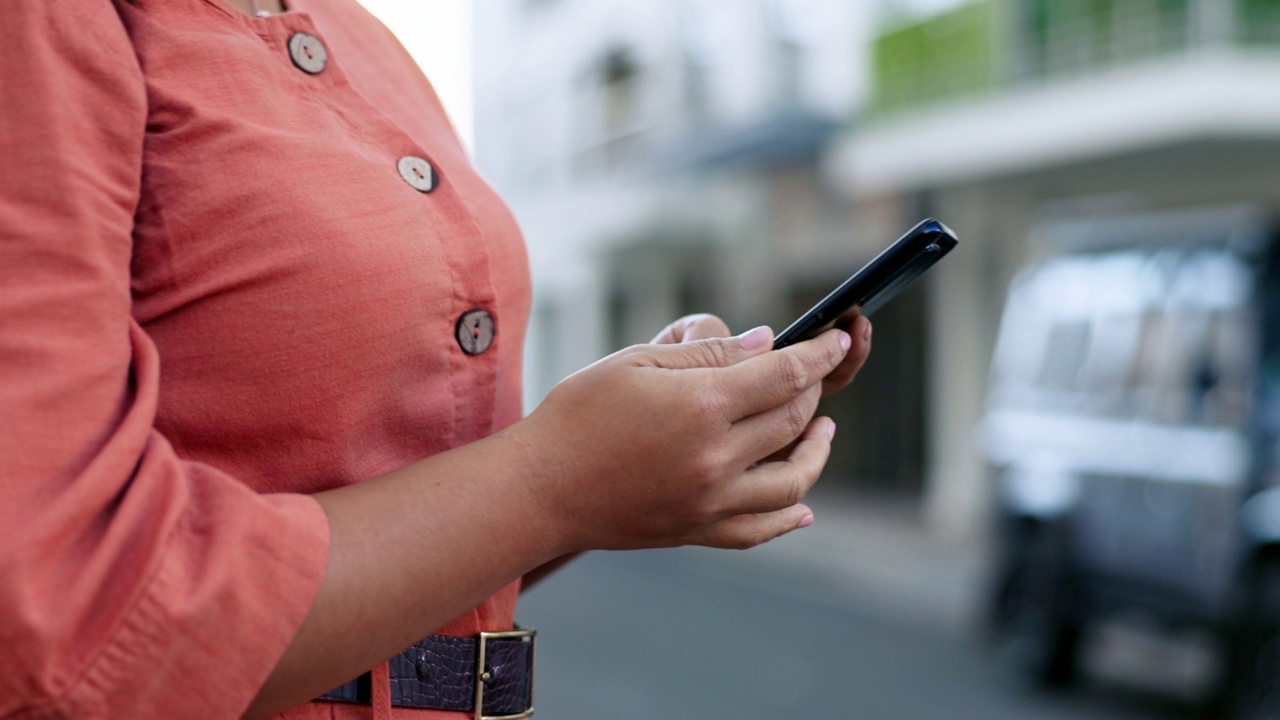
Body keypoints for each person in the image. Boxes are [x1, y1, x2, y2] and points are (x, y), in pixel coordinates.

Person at [0, 0, 873, 718]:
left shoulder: (367, 45)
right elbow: (68, 612)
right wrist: (557, 478)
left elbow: (436, 530)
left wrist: (630, 457)